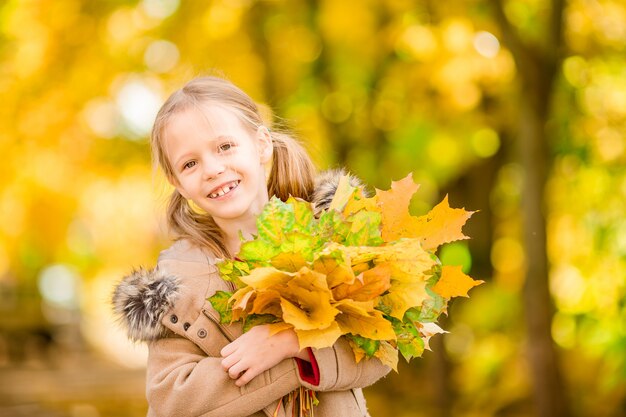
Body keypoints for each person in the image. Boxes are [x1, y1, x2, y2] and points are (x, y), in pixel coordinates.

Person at [112, 76, 390, 417]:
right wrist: (293, 362)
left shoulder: (333, 233)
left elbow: (379, 347)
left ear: (261, 144)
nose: (213, 169)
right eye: (190, 163)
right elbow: (172, 397)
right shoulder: (176, 284)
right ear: (177, 183)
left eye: (225, 147)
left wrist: (287, 342)